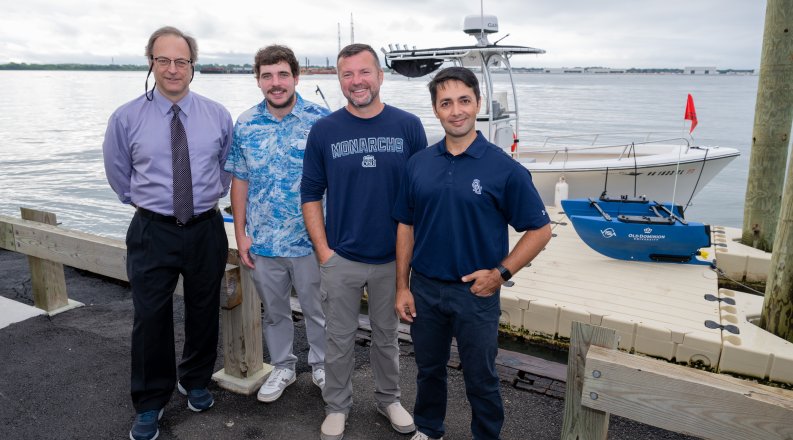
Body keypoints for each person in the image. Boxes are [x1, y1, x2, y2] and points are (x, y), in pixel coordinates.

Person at [392, 67, 552, 440]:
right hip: (426, 289)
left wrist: (501, 273)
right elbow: (405, 226)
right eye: (446, 103)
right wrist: (403, 285)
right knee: (428, 369)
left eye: (464, 100)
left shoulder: (503, 168)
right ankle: (429, 430)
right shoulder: (418, 164)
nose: (456, 110)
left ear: (478, 104)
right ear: (435, 110)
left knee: (481, 377)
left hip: (477, 294)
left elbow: (540, 230)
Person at [102, 26, 232, 440]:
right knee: (150, 318)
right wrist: (151, 205)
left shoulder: (217, 115)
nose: (172, 70)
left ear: (192, 66)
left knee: (203, 309)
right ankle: (150, 402)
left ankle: (194, 379)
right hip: (152, 231)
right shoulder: (126, 117)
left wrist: (202, 203)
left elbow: (227, 169)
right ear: (151, 63)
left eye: (181, 61)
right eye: (164, 60)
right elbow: (118, 174)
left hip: (205, 228)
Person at [301, 43, 428, 440]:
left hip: (394, 259)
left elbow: (422, 194)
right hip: (343, 257)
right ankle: (337, 405)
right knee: (337, 339)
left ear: (380, 75)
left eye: (364, 72)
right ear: (340, 80)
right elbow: (310, 194)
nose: (357, 81)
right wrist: (325, 252)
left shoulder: (408, 126)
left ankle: (388, 398)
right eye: (348, 74)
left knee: (387, 336)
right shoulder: (324, 130)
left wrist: (413, 259)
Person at [225, 44, 330, 403]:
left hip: (310, 241)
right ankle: (283, 366)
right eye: (267, 76)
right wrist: (241, 235)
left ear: (295, 77)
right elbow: (239, 180)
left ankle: (322, 364)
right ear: (258, 81)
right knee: (274, 313)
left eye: (282, 74)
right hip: (264, 242)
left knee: (318, 309)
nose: (276, 82)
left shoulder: (321, 120)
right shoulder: (246, 124)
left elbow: (337, 181)